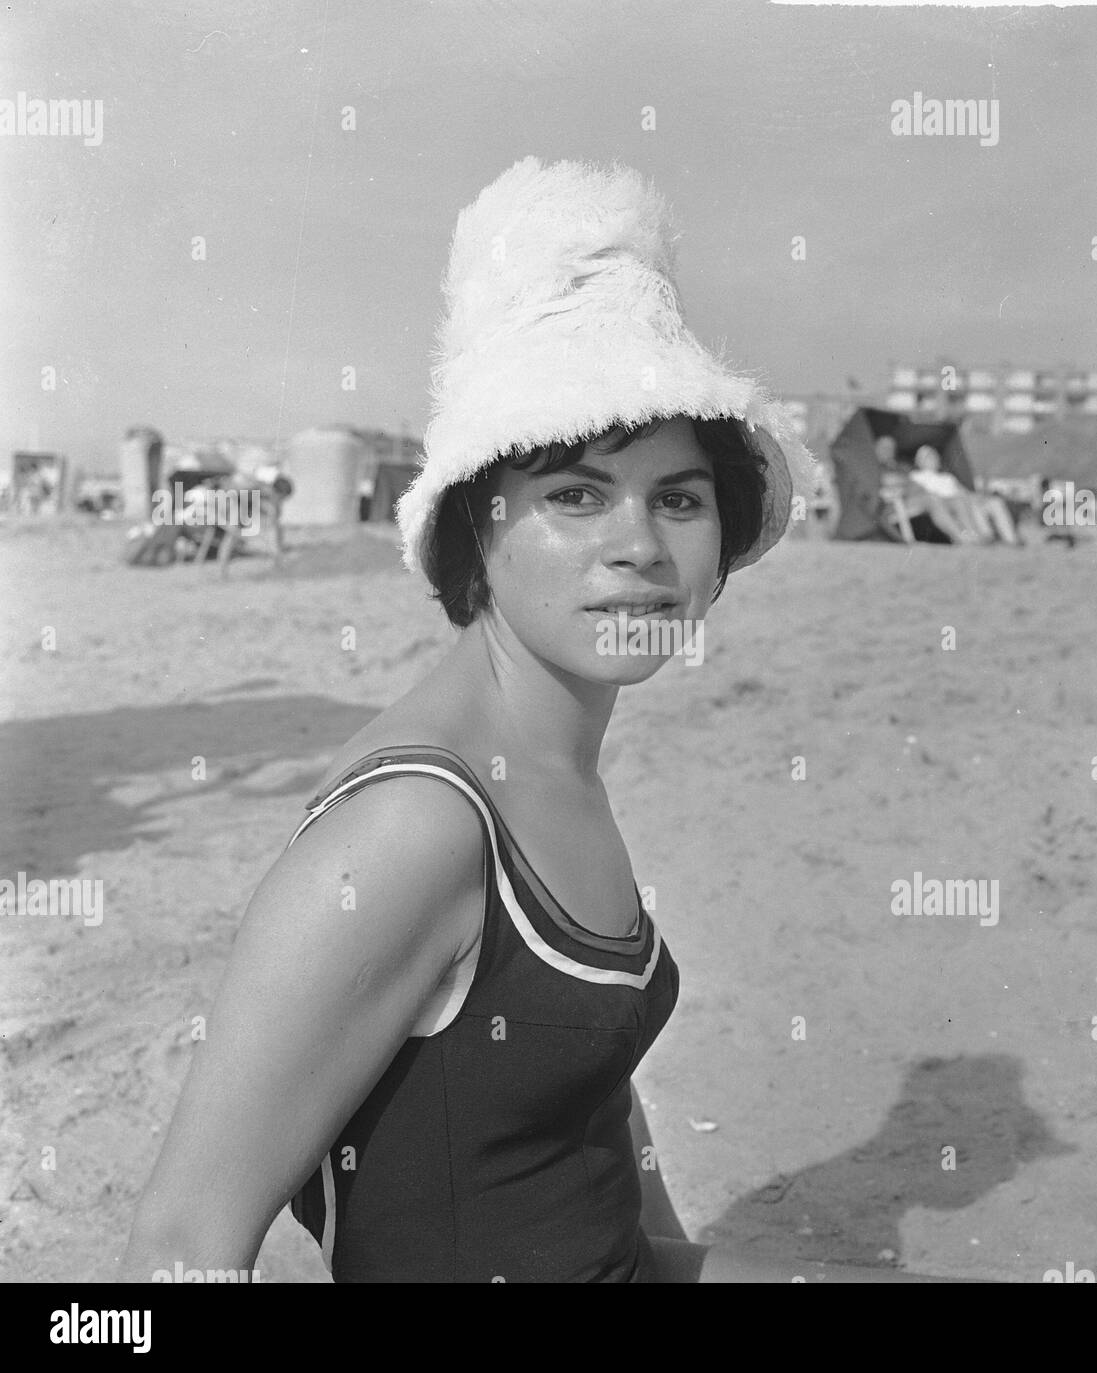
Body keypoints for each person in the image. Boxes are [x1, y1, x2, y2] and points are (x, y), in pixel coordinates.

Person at [119, 158, 958, 1284]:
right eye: (574, 493)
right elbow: (175, 1253)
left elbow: (595, 1161)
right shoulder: (415, 828)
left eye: (679, 495)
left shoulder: (552, 758)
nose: (641, 546)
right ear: (479, 524)